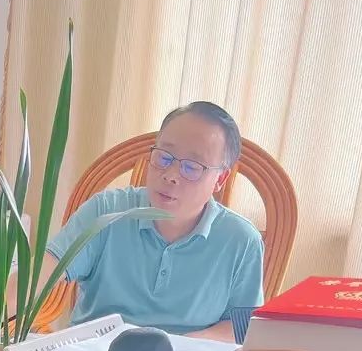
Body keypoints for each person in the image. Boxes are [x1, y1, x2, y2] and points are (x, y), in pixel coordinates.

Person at [45, 101, 264, 333]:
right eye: (164, 157)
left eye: (191, 167)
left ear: (220, 179)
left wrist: (183, 345)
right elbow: (43, 272)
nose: (170, 175)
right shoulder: (107, 210)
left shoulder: (242, 240)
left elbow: (241, 327)